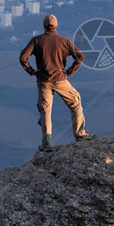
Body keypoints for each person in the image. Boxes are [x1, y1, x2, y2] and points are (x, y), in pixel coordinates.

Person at [19, 14, 93, 150]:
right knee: (76, 103)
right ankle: (80, 134)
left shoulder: (36, 41)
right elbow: (80, 56)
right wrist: (70, 71)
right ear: (56, 26)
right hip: (60, 79)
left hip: (43, 81)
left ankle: (47, 144)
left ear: (43, 26)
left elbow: (23, 57)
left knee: (45, 111)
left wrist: (32, 71)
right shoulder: (65, 41)